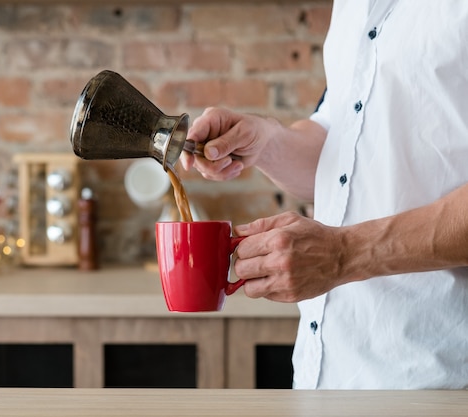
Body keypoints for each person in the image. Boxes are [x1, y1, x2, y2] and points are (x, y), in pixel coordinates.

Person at [180, 0, 468, 389]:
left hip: (439, 378)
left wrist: (343, 253)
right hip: (328, 375)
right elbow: (342, 149)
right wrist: (264, 141)